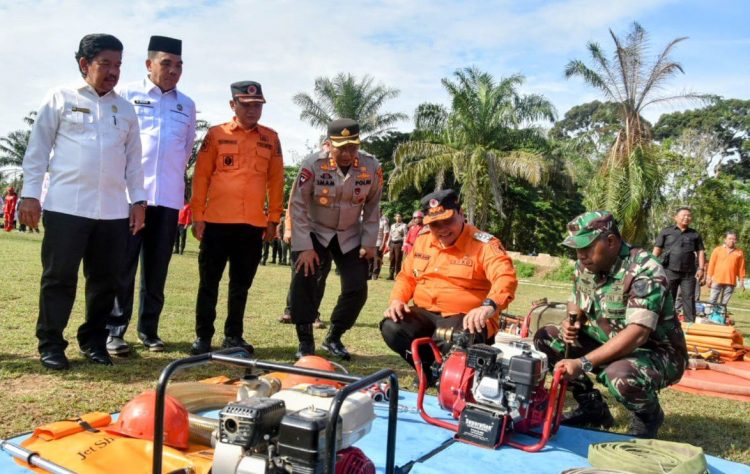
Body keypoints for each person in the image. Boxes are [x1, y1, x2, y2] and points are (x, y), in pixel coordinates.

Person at [18, 34, 146, 370]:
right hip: (66, 207)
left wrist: (139, 201)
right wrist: (30, 194)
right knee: (59, 277)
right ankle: (51, 344)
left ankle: (93, 342)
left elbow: (134, 162)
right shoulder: (60, 98)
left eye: (118, 64)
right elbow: (38, 149)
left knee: (106, 281)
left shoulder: (125, 109)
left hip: (113, 210)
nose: (113, 71)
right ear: (84, 64)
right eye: (105, 63)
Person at [534, 211, 688, 438]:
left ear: (611, 242)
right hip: (606, 340)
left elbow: (638, 334)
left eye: (586, 248)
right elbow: (576, 300)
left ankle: (648, 417)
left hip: (656, 352)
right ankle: (592, 407)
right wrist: (573, 320)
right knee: (546, 337)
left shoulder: (644, 268)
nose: (581, 256)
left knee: (620, 375)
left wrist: (583, 362)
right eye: (577, 249)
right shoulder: (586, 265)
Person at [106, 35, 196, 355]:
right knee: (123, 266)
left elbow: (185, 151)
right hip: (131, 197)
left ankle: (149, 330)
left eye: (179, 65)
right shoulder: (127, 94)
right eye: (166, 64)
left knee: (157, 270)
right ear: (149, 64)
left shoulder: (187, 104)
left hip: (169, 199)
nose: (173, 70)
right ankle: (115, 331)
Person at [381, 190, 517, 385]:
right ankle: (428, 372)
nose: (443, 229)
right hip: (426, 313)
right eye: (435, 224)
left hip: (467, 317)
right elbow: (406, 277)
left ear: (461, 214)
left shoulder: (483, 244)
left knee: (466, 333)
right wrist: (397, 300)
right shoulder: (423, 240)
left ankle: (451, 377)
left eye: (448, 221)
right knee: (391, 325)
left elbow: (505, 277)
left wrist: (488, 306)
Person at [189, 81, 283, 355]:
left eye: (257, 105)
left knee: (240, 285)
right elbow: (202, 176)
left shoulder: (270, 138)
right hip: (216, 222)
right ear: (233, 105)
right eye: (246, 104)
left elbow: (275, 181)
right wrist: (197, 215)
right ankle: (203, 337)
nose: (253, 110)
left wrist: (273, 219)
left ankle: (233, 336)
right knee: (209, 283)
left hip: (252, 225)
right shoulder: (216, 134)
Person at [290, 118, 382, 360]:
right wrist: (304, 246)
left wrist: (370, 243)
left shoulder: (371, 166)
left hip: (349, 233)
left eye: (353, 147)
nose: (348, 154)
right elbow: (297, 205)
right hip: (315, 230)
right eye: (342, 148)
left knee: (357, 287)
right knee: (305, 278)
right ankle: (305, 341)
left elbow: (373, 207)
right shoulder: (312, 164)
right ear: (329, 144)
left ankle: (334, 337)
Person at [653, 207, 705, 322]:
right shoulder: (666, 231)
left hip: (689, 273)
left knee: (689, 298)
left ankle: (689, 323)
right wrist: (651, 264)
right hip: (669, 270)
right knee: (668, 297)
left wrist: (701, 269)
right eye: (683, 215)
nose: (686, 217)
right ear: (675, 217)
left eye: (689, 216)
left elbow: (700, 252)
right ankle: (665, 322)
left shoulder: (695, 234)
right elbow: (657, 249)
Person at [706, 231, 746, 305]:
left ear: (736, 240)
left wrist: (742, 282)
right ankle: (709, 316)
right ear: (725, 239)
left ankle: (720, 316)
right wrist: (708, 277)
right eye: (730, 238)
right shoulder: (717, 250)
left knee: (724, 304)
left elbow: (741, 268)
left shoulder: (739, 252)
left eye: (734, 239)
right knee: (711, 301)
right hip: (717, 280)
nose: (732, 241)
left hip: (730, 281)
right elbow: (711, 264)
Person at [369, 212, 389, 280]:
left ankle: (375, 274)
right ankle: (369, 273)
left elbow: (386, 234)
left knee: (377, 260)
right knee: (370, 259)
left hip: (378, 242)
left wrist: (383, 244)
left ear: (381, 212)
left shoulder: (384, 221)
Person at [387, 213, 407, 279]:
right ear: (395, 218)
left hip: (399, 244)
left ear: (401, 218)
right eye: (397, 217)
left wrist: (404, 245)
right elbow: (390, 235)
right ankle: (391, 275)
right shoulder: (392, 225)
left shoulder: (404, 225)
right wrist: (387, 243)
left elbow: (405, 236)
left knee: (398, 260)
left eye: (399, 216)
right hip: (392, 243)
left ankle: (397, 275)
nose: (398, 218)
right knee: (391, 259)